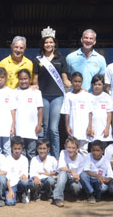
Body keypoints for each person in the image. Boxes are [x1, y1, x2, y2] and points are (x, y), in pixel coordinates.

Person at [33, 28, 69, 156]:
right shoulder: (37, 60)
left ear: (54, 43)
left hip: (57, 97)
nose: (48, 44)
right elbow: (35, 80)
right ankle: (46, 156)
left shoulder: (61, 59)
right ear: (43, 44)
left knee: (54, 128)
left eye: (51, 42)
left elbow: (65, 80)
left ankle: (56, 156)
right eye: (46, 42)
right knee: (46, 127)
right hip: (43, 96)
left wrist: (78, 87)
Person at [60, 71, 94, 153]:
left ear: (82, 82)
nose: (77, 83)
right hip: (73, 127)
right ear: (71, 81)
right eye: (75, 81)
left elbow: (90, 112)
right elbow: (66, 112)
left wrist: (90, 126)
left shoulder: (87, 95)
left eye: (79, 82)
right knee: (73, 148)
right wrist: (67, 126)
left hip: (84, 128)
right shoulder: (68, 96)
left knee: (83, 150)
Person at [13, 69, 43, 157]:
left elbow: (40, 109)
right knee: (21, 153)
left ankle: (31, 166)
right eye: (21, 79)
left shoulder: (36, 92)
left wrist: (39, 124)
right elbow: (13, 110)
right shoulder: (14, 92)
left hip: (32, 129)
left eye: (25, 79)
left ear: (30, 79)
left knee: (31, 152)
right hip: (19, 128)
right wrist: (13, 125)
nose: (23, 81)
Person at [52, 136, 86, 207]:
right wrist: (71, 171)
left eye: (73, 148)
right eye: (69, 147)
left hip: (74, 178)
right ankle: (58, 198)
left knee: (76, 187)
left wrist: (76, 177)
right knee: (62, 173)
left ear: (78, 148)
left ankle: (74, 194)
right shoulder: (63, 152)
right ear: (65, 146)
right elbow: (61, 168)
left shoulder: (81, 158)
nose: (71, 150)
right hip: (64, 176)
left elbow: (79, 175)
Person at [87, 74, 113, 145]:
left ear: (103, 85)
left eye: (99, 84)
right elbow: (88, 113)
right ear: (92, 85)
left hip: (103, 131)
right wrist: (90, 127)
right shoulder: (88, 97)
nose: (97, 86)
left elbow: (109, 113)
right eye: (95, 84)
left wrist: (107, 128)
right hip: (92, 131)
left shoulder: (107, 97)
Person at [4, 136, 31, 205]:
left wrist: (23, 176)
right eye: (15, 148)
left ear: (22, 148)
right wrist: (10, 190)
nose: (17, 151)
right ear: (11, 148)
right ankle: (15, 196)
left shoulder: (24, 159)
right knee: (10, 202)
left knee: (26, 182)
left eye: (19, 149)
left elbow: (24, 175)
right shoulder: (7, 159)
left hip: (20, 183)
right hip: (11, 185)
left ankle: (24, 193)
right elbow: (7, 178)